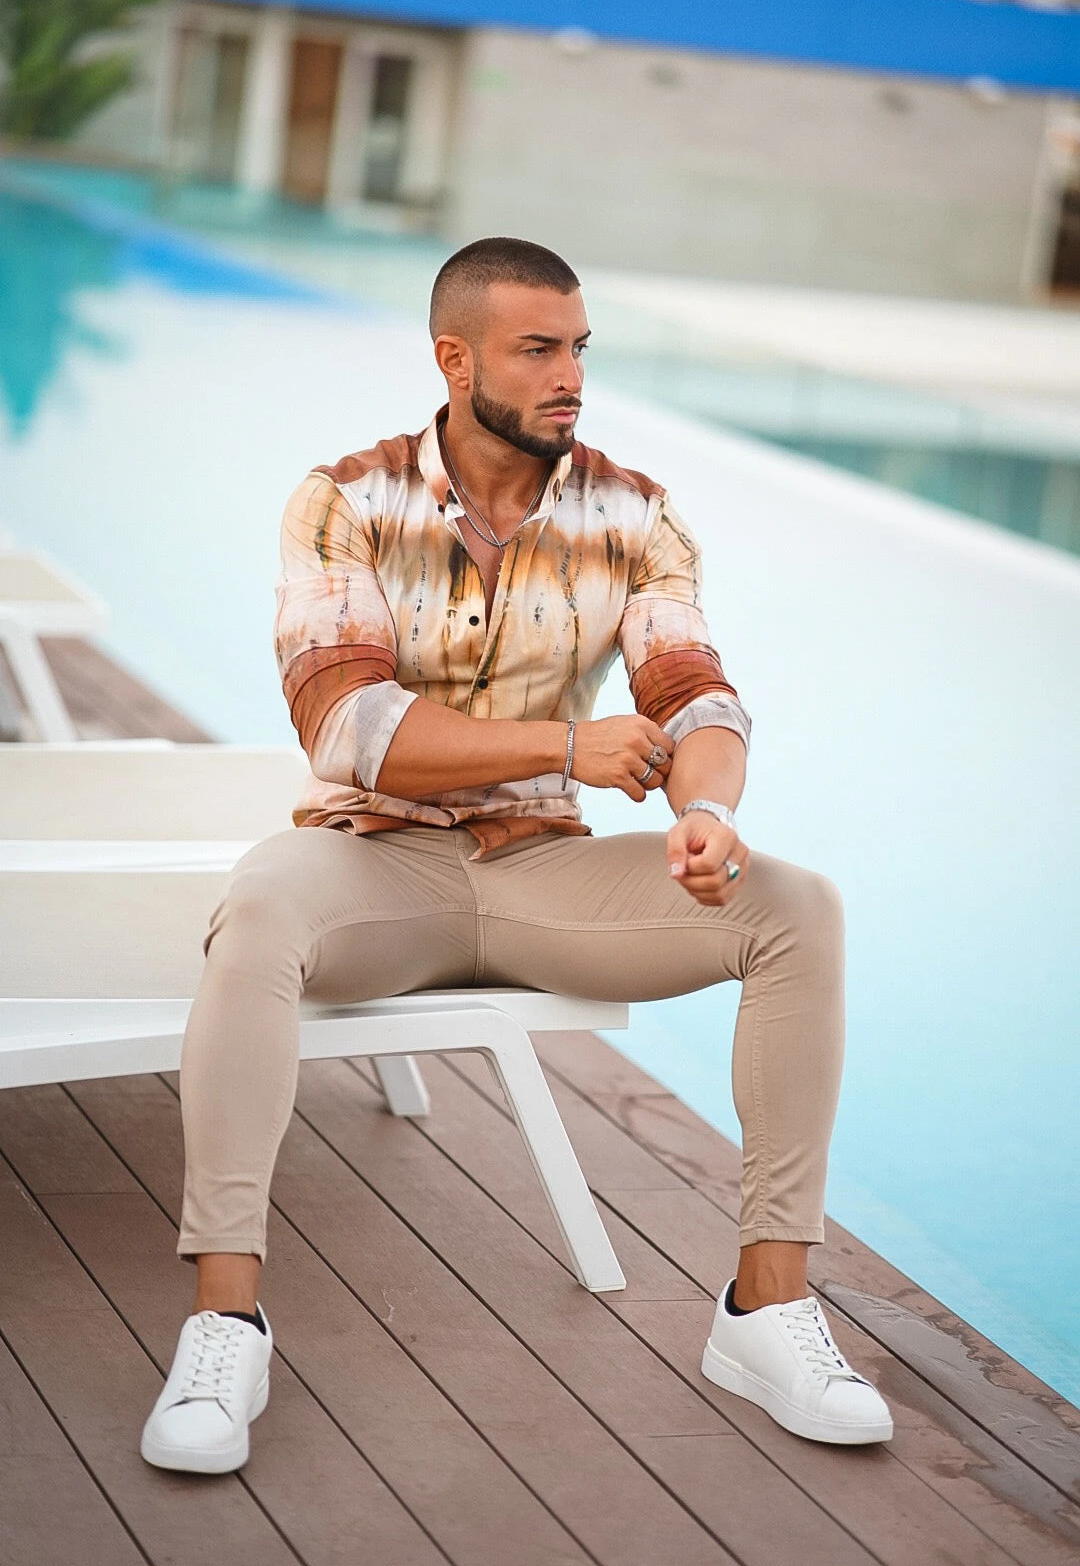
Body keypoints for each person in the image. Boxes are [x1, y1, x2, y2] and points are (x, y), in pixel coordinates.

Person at [141, 237, 893, 1475]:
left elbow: (695, 691)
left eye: (580, 347)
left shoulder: (635, 514)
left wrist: (708, 810)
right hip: (373, 861)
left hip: (540, 873)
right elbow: (349, 727)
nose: (570, 376)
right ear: (456, 359)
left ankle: (765, 1309)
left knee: (797, 906)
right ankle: (227, 1323)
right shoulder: (345, 500)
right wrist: (567, 744)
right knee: (260, 907)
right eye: (538, 349)